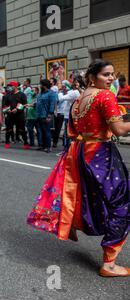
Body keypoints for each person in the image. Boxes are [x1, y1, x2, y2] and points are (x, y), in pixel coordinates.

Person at [28, 59, 130, 277]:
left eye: (112, 74)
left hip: (80, 152)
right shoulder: (105, 96)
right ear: (93, 77)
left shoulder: (78, 99)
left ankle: (72, 224)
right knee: (121, 203)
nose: (111, 78)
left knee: (85, 194)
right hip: (100, 154)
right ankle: (109, 263)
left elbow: (74, 130)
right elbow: (119, 129)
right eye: (106, 75)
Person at [2, 81, 29, 149]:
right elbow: (5, 105)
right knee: (9, 129)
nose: (10, 87)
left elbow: (25, 104)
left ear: (15, 86)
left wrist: (17, 109)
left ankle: (25, 142)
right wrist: (8, 110)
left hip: (19, 115)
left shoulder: (22, 94)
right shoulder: (8, 95)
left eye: (11, 86)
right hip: (10, 115)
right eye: (9, 86)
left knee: (22, 130)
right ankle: (7, 142)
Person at [57, 80, 80, 151]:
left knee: (68, 134)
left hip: (69, 116)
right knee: (68, 134)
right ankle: (69, 149)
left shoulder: (74, 93)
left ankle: (67, 150)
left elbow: (61, 98)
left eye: (64, 86)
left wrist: (60, 92)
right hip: (69, 115)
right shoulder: (73, 92)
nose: (63, 88)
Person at [35, 79, 57, 153]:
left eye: (41, 84)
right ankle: (43, 145)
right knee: (41, 132)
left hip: (46, 115)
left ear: (44, 85)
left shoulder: (51, 93)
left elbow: (52, 105)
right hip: (39, 115)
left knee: (47, 131)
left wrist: (49, 115)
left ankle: (48, 147)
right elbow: (38, 103)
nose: (40, 86)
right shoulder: (40, 94)